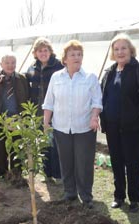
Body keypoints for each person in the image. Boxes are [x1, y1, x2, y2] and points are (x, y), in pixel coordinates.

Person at [42, 40, 102, 209]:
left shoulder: (90, 78)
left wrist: (94, 117)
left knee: (84, 163)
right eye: (72, 55)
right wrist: (46, 124)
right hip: (61, 127)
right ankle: (70, 192)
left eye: (79, 54)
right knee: (66, 162)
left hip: (84, 128)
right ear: (65, 59)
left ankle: (86, 195)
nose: (76, 57)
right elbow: (49, 103)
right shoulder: (56, 77)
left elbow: (97, 101)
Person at [100, 34, 139, 213]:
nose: (120, 52)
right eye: (116, 49)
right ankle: (119, 196)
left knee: (133, 162)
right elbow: (103, 96)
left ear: (131, 50)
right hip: (112, 126)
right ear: (113, 53)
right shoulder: (110, 72)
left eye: (123, 48)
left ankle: (135, 198)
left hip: (133, 127)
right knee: (116, 161)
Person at [0, 52, 30, 179]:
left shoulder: (21, 79)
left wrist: (26, 117)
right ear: (1, 64)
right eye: (7, 63)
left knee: (17, 146)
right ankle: (2, 174)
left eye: (13, 62)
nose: (10, 65)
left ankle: (16, 172)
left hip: (17, 119)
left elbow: (28, 97)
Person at [25, 37, 64, 182]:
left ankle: (59, 174)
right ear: (35, 53)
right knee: (43, 143)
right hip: (38, 112)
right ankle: (47, 174)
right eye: (40, 51)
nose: (43, 53)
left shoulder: (59, 65)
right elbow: (25, 84)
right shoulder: (32, 68)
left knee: (56, 143)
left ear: (50, 51)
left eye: (45, 50)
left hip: (56, 111)